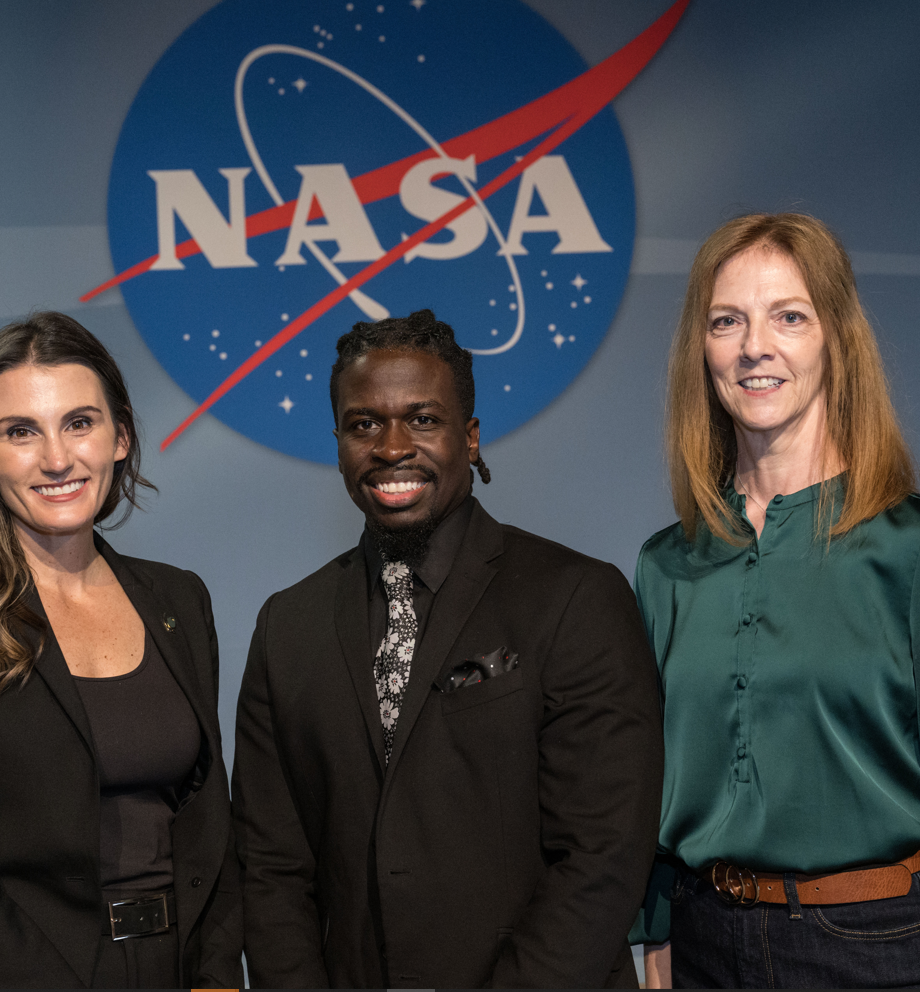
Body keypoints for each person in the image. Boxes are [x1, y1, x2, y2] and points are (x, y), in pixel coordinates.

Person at [629, 214, 920, 989]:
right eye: (726, 321)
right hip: (703, 948)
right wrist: (657, 950)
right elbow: (650, 792)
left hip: (876, 949)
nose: (754, 345)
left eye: (788, 316)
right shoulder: (665, 564)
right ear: (700, 350)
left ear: (835, 340)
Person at [231, 309, 664, 988]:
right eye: (363, 424)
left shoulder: (575, 597)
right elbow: (270, 867)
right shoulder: (288, 625)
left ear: (469, 436)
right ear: (339, 442)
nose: (391, 446)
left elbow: (603, 855)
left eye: (422, 419)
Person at [0, 312, 241, 989]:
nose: (57, 458)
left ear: (120, 435)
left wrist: (213, 974)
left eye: (79, 423)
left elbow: (206, 823)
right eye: (20, 432)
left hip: (163, 966)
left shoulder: (178, 599)